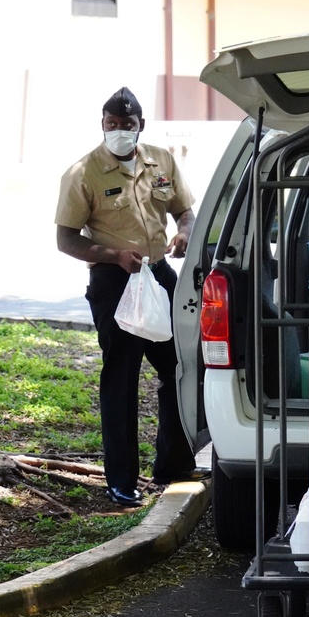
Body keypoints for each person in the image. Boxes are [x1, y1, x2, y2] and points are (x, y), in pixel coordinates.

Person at [54, 87, 209, 508]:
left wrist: (183, 235)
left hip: (158, 274)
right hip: (114, 279)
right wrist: (111, 255)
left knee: (181, 367)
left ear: (141, 125)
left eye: (128, 124)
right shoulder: (83, 172)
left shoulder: (162, 159)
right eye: (112, 124)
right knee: (121, 378)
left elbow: (186, 212)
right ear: (102, 124)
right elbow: (65, 239)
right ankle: (121, 480)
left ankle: (173, 463)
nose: (120, 131)